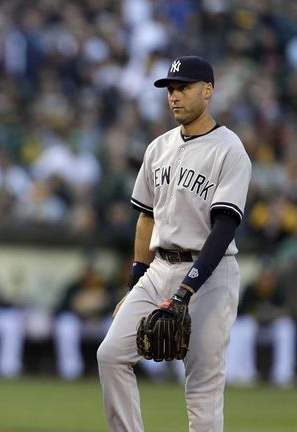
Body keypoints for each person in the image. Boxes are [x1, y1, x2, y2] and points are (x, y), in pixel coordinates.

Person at [97, 55, 252, 432]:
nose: (174, 96)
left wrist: (186, 290)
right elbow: (145, 218)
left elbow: (224, 228)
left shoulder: (229, 149)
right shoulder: (158, 147)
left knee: (202, 385)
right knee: (111, 354)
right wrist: (135, 284)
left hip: (210, 274)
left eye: (183, 87)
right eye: (170, 89)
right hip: (159, 267)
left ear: (208, 91)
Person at [226, 260, 295, 388]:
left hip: (271, 330)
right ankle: (244, 373)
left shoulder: (279, 290)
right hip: (254, 331)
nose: (266, 281)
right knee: (245, 326)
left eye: (269, 278)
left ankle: (283, 375)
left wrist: (271, 315)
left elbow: (286, 310)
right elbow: (241, 312)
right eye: (264, 278)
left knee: (286, 327)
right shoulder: (251, 290)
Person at [53, 257, 115, 380]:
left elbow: (116, 307)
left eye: (93, 272)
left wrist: (100, 313)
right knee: (66, 325)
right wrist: (78, 310)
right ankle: (71, 371)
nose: (90, 275)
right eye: (88, 271)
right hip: (80, 323)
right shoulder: (74, 287)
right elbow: (60, 309)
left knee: (113, 324)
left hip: (100, 324)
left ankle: (112, 370)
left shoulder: (107, 287)